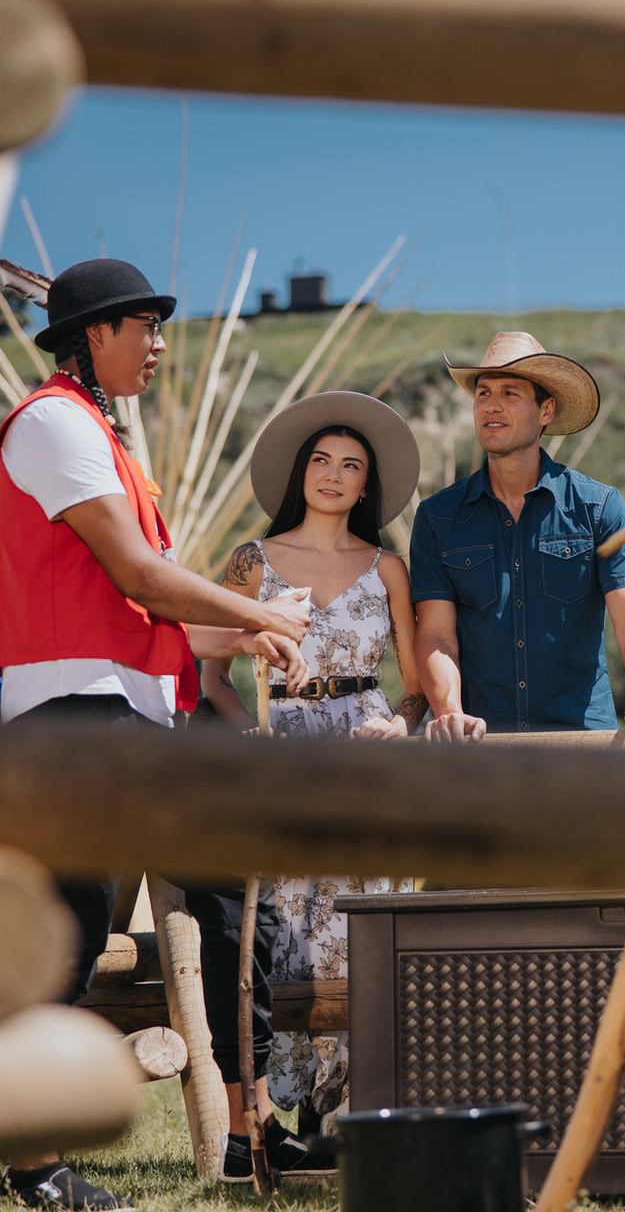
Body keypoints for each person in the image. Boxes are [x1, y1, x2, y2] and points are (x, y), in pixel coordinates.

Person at [0, 258, 317, 1208]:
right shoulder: (50, 424)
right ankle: (31, 1161)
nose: (161, 346)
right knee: (70, 932)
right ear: (93, 336)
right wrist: (257, 620)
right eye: (146, 327)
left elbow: (162, 616)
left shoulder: (109, 444)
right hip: (73, 713)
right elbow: (138, 576)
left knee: (233, 890)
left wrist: (256, 632)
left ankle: (251, 1135)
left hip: (129, 714)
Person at [200, 391, 425, 1137]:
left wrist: (398, 723)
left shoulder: (390, 567)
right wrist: (243, 732)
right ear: (302, 473)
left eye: (351, 465)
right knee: (287, 926)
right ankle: (292, 1107)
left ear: (367, 486)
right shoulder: (252, 561)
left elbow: (417, 688)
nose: (334, 475)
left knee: (362, 918)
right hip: (283, 754)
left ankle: (356, 1102)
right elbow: (206, 671)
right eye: (322, 461)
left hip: (366, 756)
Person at [409, 331, 625, 746]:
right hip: (482, 748)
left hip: (582, 746)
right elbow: (436, 634)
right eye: (483, 393)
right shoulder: (437, 517)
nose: (491, 405)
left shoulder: (599, 508)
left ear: (546, 410)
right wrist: (449, 713)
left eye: (510, 393)